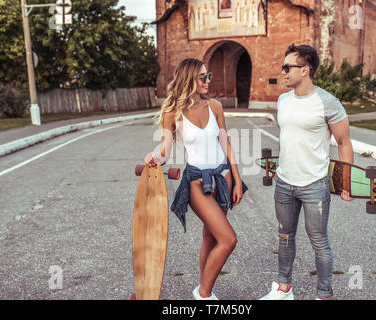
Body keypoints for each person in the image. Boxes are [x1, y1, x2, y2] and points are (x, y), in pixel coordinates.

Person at [144, 58, 248, 300]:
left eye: (208, 76)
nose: (207, 81)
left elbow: (225, 142)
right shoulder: (174, 113)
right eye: (203, 77)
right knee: (228, 239)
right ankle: (204, 294)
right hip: (197, 183)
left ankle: (205, 285)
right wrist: (154, 158)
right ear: (189, 78)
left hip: (223, 179)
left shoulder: (215, 107)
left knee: (211, 236)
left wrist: (237, 178)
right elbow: (165, 152)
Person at [259, 44, 354, 300]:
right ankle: (283, 288)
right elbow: (286, 137)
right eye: (283, 67)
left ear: (305, 70)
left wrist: (346, 183)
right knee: (284, 237)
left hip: (314, 184)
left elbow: (344, 143)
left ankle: (324, 294)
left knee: (319, 242)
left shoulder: (327, 102)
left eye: (288, 67)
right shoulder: (283, 100)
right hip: (285, 184)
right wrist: (280, 166)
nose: (283, 72)